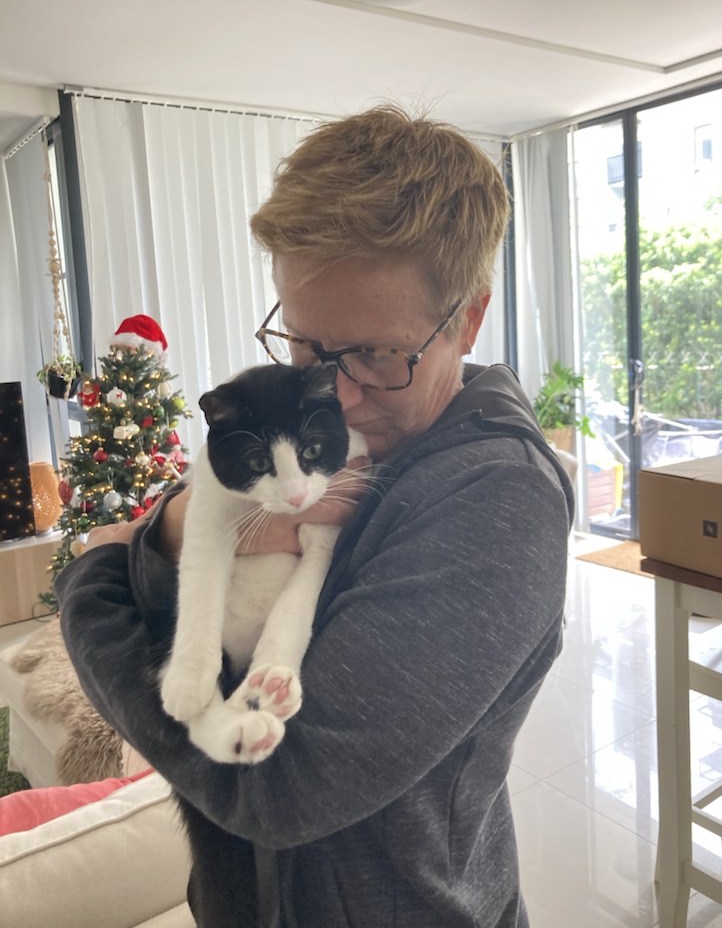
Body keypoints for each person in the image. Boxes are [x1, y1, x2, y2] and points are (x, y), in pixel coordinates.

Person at [57, 104, 574, 928]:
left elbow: (276, 788)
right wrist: (171, 528)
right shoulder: (348, 426)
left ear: (468, 319)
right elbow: (196, 512)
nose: (334, 396)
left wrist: (91, 583)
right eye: (306, 347)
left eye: (375, 354)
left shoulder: (497, 503)